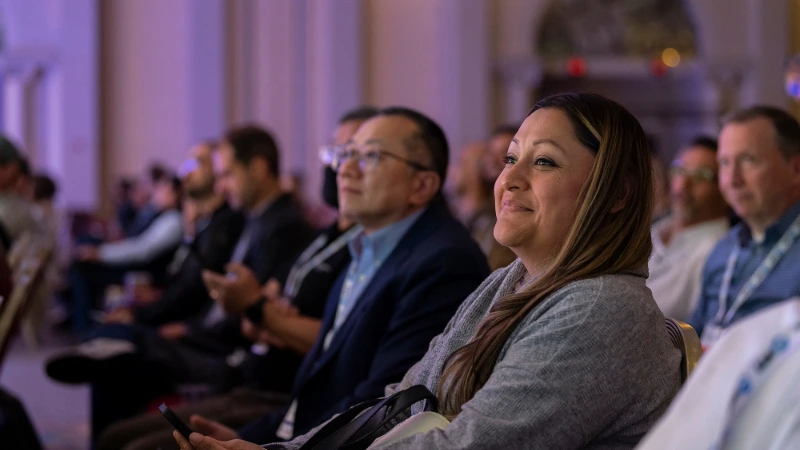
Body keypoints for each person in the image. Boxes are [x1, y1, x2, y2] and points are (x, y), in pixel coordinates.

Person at [174, 93, 682, 450]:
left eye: (544, 162)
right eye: (509, 159)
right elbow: (403, 399)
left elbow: (472, 445)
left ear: (617, 194)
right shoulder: (508, 281)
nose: (510, 179)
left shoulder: (600, 308)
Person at [177, 107, 490, 447]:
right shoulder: (365, 247)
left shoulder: (443, 261)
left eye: (370, 156)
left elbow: (385, 408)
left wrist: (270, 448)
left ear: (422, 184)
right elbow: (316, 387)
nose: (344, 169)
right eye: (345, 154)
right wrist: (248, 437)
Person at [96, 107, 380, 450]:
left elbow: (324, 340)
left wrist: (257, 310)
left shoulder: (288, 226)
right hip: (252, 366)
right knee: (119, 357)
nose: (341, 168)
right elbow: (253, 307)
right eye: (336, 154)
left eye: (357, 156)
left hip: (252, 372)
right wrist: (260, 311)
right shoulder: (303, 230)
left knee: (125, 375)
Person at [689, 106, 800, 347]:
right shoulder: (722, 249)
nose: (732, 180)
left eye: (748, 160)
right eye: (725, 163)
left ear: (795, 170)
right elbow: (692, 338)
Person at [647, 137, 730, 321]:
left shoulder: (720, 251)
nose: (682, 185)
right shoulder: (651, 230)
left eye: (701, 176)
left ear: (724, 190)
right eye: (679, 170)